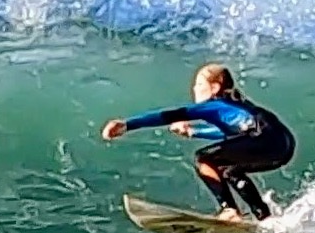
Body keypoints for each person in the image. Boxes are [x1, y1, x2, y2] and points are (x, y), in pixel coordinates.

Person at [101, 62, 295, 221]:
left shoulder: (214, 105)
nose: (194, 89)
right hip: (282, 144)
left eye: (199, 84)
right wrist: (193, 132)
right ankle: (265, 218)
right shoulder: (235, 107)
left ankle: (229, 210)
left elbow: (169, 115)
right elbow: (236, 136)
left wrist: (127, 124)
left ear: (215, 88)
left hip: (264, 138)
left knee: (203, 159)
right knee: (230, 169)